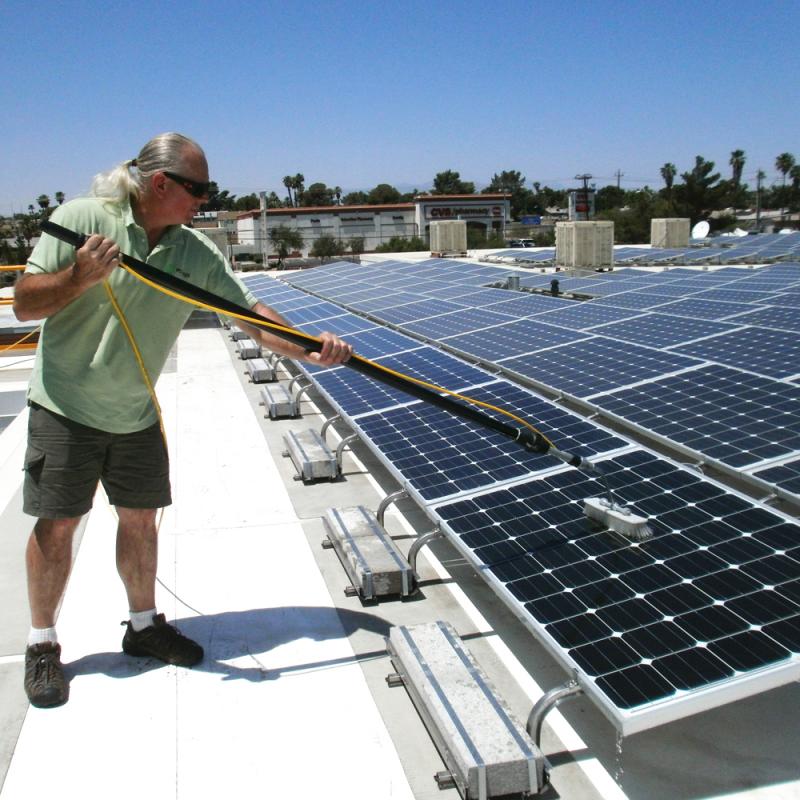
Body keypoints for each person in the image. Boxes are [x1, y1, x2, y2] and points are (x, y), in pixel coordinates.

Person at [13, 132, 352, 708]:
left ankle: (143, 627)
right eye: (197, 190)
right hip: (65, 406)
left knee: (141, 521)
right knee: (59, 524)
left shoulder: (194, 252)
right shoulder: (81, 219)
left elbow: (248, 313)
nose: (204, 201)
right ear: (161, 183)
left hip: (135, 411)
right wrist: (77, 279)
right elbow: (24, 301)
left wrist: (306, 346)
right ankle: (43, 646)